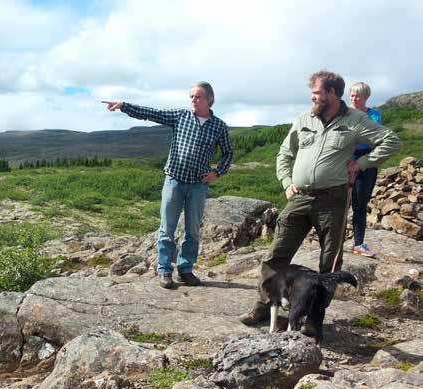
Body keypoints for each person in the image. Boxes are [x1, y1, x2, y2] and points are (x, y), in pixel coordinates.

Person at [239, 70, 399, 328]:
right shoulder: (304, 119)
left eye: (317, 93)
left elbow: (391, 141)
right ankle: (264, 306)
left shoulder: (355, 120)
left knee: (329, 262)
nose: (313, 97)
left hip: (332, 200)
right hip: (299, 198)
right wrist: (286, 182)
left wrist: (362, 163)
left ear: (332, 93)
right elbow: (284, 153)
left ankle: (313, 318)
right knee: (275, 256)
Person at [103, 82, 233, 288]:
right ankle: (164, 270)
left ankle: (185, 270)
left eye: (198, 97)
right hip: (174, 180)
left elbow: (228, 153)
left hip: (198, 186)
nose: (193, 100)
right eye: (191, 96)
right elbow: (152, 113)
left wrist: (217, 172)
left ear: (209, 99)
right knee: (167, 229)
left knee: (192, 231)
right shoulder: (180, 116)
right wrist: (124, 106)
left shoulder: (218, 126)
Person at [349, 82, 383, 257]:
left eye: (358, 96)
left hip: (366, 164)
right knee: (338, 204)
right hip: (343, 163)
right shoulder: (344, 114)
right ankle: (333, 243)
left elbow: (373, 137)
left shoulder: (374, 114)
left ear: (366, 97)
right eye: (352, 95)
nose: (354, 99)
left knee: (360, 206)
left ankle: (359, 243)